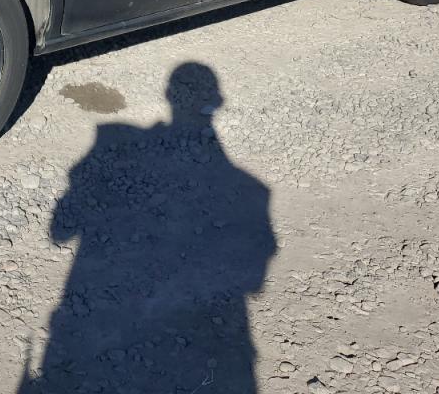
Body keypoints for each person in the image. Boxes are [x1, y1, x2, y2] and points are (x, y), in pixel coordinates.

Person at [22, 63, 276, 394]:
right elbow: (254, 280)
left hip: (96, 320)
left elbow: (59, 231)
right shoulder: (252, 191)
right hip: (200, 350)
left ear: (170, 96)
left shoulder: (252, 191)